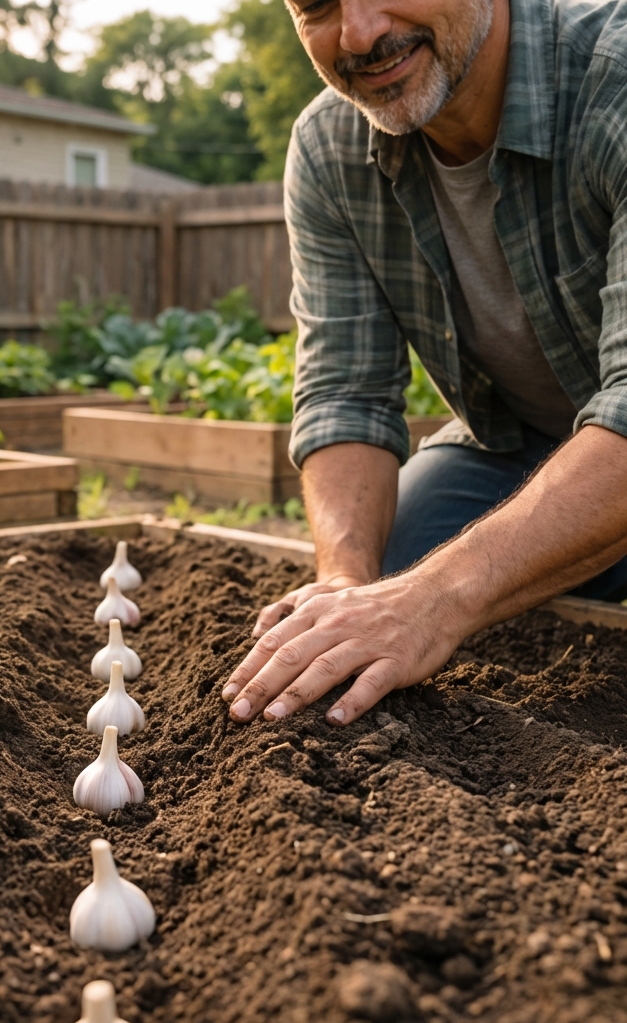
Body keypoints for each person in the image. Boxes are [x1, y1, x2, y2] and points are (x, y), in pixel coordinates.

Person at [223, 0, 627, 728]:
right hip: (526, 441)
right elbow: (345, 392)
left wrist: (436, 598)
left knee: (425, 589)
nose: (359, 33)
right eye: (317, 5)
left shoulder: (613, 83)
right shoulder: (330, 147)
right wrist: (346, 583)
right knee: (393, 566)